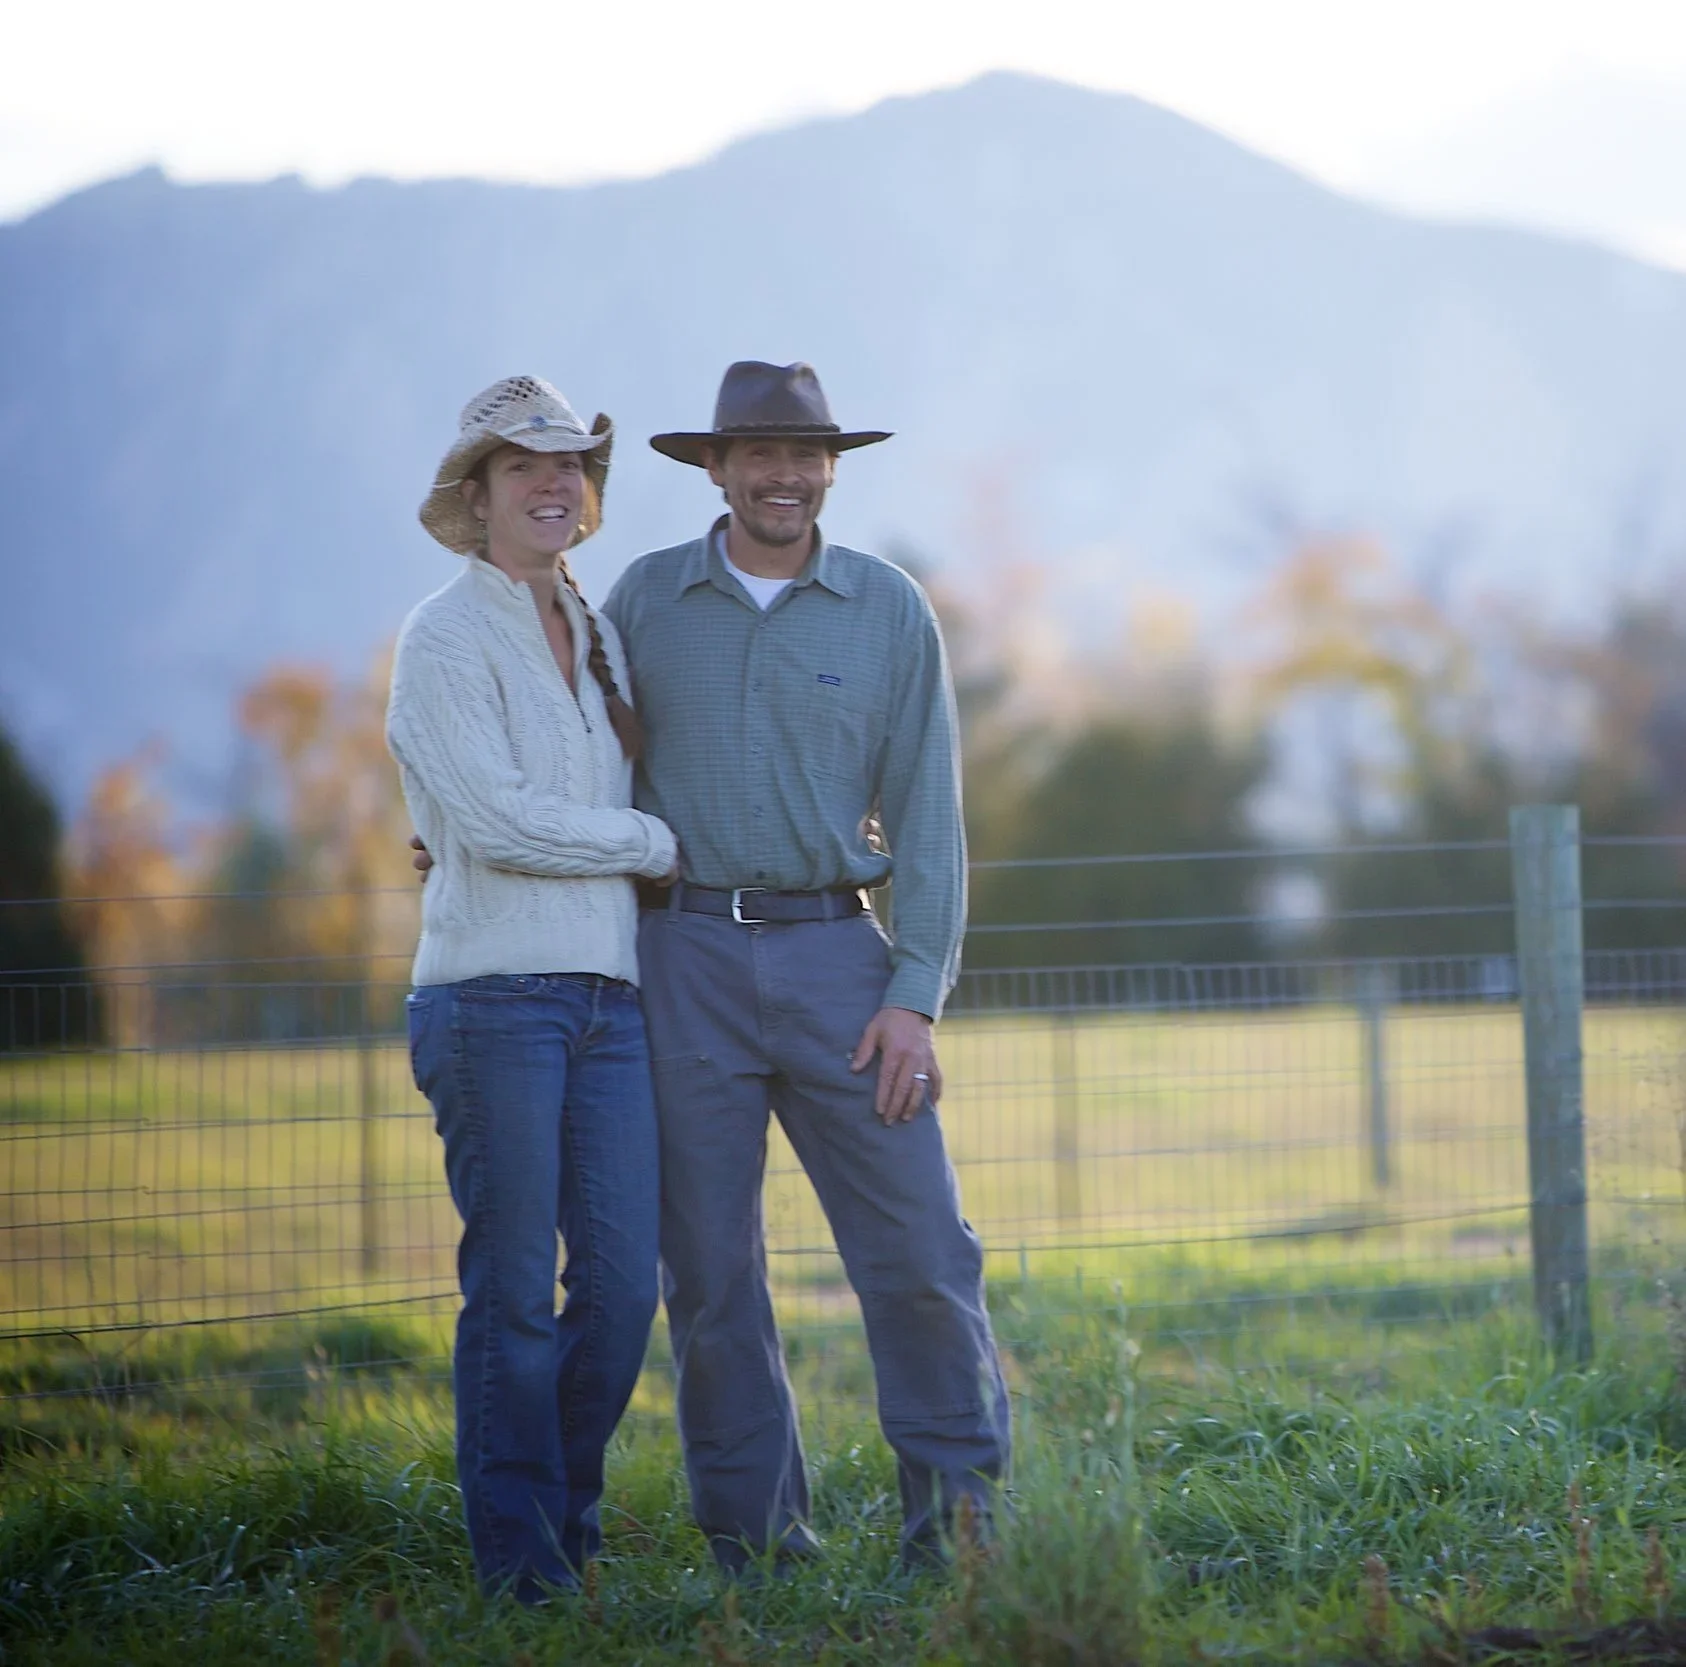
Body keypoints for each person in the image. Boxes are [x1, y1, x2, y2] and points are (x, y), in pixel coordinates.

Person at [604, 360, 1010, 1573]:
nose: (787, 475)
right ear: (715, 468)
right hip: (682, 961)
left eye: (808, 455)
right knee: (713, 1277)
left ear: (832, 468)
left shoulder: (887, 607)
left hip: (844, 963)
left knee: (925, 1257)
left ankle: (960, 1536)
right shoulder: (644, 599)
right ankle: (755, 1547)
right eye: (761, 455)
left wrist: (914, 998)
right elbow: (584, 759)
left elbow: (930, 820)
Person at [387, 375, 678, 1604]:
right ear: (478, 493)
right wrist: (652, 845)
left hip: (610, 999)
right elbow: (500, 824)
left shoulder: (600, 628)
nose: (555, 484)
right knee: (510, 1292)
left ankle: (559, 1517)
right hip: (492, 996)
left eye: (571, 466)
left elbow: (579, 795)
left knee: (620, 1287)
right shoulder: (443, 636)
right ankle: (525, 1566)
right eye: (524, 467)